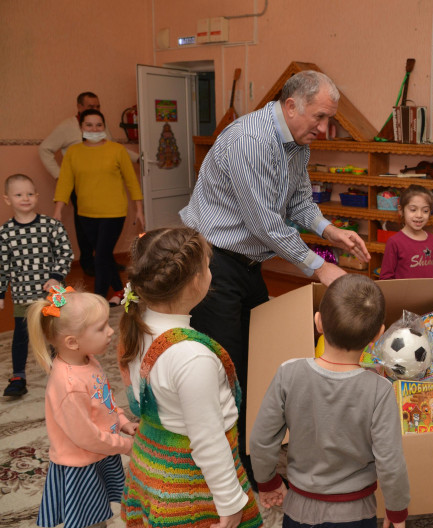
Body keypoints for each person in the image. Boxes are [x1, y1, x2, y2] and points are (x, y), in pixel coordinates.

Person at [180, 70, 369, 481]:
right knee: (225, 370)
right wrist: (321, 267)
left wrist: (330, 231)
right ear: (291, 105)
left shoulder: (296, 142)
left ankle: (252, 458)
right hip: (213, 264)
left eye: (329, 119)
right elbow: (265, 222)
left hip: (248, 263)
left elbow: (299, 201)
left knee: (259, 362)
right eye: (320, 117)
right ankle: (227, 473)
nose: (324, 129)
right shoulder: (250, 140)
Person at [119, 227, 262, 527]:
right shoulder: (193, 357)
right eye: (209, 266)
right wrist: (230, 503)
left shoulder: (137, 325)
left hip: (151, 464)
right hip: (189, 485)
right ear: (197, 281)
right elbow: (208, 440)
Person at [250, 274, 410, 528]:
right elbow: (390, 462)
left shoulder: (288, 373)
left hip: (298, 508)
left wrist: (267, 482)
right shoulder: (380, 390)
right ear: (378, 335)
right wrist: (397, 509)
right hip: (355, 514)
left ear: (318, 322)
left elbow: (261, 439)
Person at [26, 288, 136, 528]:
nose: (111, 331)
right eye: (101, 328)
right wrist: (126, 446)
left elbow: (104, 399)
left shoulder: (87, 360)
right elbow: (86, 437)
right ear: (72, 342)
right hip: (82, 464)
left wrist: (123, 422)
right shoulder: (69, 386)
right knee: (87, 520)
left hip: (100, 452)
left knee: (99, 513)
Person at [39, 92, 137, 277]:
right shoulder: (67, 127)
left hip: (104, 184)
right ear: (79, 107)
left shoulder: (100, 125)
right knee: (85, 227)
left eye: (98, 106)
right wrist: (60, 176)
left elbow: (113, 148)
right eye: (91, 106)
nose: (95, 109)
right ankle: (88, 262)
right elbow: (45, 149)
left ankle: (106, 261)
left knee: (106, 228)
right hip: (81, 184)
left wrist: (137, 158)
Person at [52, 109, 145, 303]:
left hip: (114, 213)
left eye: (98, 125)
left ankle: (99, 300)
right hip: (86, 214)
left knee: (101, 256)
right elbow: (65, 183)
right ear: (81, 127)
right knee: (104, 255)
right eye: (89, 125)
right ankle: (120, 291)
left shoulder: (117, 150)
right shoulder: (73, 152)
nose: (94, 129)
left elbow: (131, 181)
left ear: (104, 127)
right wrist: (58, 209)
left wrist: (139, 209)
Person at [0, 174, 73, 397]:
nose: (25, 198)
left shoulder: (51, 226)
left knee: (55, 332)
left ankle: (62, 369)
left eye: (30, 194)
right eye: (19, 195)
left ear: (37, 196)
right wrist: (1, 293)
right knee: (21, 336)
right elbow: (2, 266)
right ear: (7, 199)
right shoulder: (5, 233)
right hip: (23, 296)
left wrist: (56, 276)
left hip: (52, 294)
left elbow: (65, 252)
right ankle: (18, 377)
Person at [379, 185, 433, 279]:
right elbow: (386, 278)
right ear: (401, 210)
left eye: (425, 211)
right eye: (413, 210)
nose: (419, 215)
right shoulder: (394, 242)